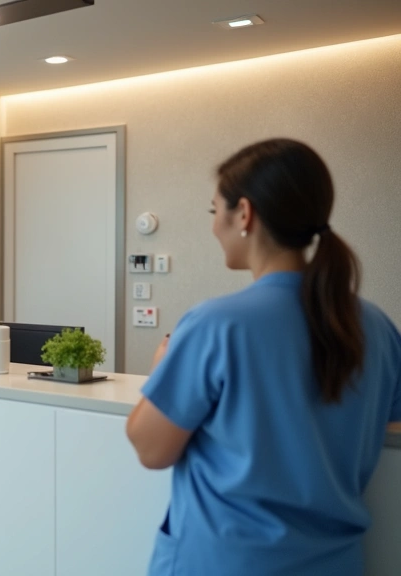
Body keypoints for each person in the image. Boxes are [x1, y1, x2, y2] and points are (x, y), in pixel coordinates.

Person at [125, 139, 401, 575]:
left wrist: (163, 366)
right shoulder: (377, 327)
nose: (214, 226)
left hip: (225, 562)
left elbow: (151, 448)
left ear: (245, 215)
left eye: (215, 211)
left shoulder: (216, 324)